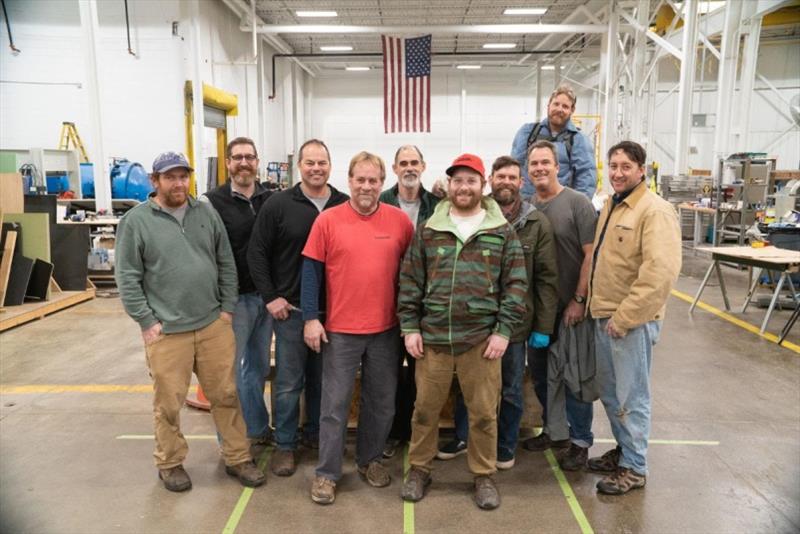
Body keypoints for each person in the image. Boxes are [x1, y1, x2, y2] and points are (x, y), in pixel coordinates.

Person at [116, 151, 265, 492]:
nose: (179, 183)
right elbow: (127, 277)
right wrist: (147, 321)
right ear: (155, 181)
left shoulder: (204, 212)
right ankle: (170, 463)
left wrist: (226, 308)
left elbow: (225, 260)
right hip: (167, 332)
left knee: (227, 394)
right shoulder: (137, 222)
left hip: (212, 324)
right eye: (170, 177)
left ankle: (238, 457)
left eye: (183, 176)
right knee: (168, 403)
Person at [398, 153, 528, 510]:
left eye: (471, 180)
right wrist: (409, 327)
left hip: (481, 342)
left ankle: (484, 475)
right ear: (449, 185)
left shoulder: (501, 230)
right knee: (424, 410)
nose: (464, 187)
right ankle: (419, 469)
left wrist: (503, 331)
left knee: (485, 414)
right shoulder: (429, 229)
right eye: (458, 180)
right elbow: (410, 280)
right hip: (434, 340)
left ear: (482, 185)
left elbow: (516, 284)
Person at [302, 151, 414, 505]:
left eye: (373, 181)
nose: (366, 187)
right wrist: (310, 317)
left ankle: (370, 460)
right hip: (340, 331)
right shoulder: (328, 221)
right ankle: (327, 473)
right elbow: (311, 273)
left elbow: (412, 275)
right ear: (349, 180)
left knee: (381, 403)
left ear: (383, 183)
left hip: (386, 331)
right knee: (334, 406)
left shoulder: (400, 222)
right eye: (360, 180)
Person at [438, 155, 558, 470]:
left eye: (512, 177)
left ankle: (504, 445)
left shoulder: (536, 223)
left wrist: (543, 326)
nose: (506, 182)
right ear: (491, 180)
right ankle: (465, 437)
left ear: (522, 183)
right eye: (500, 176)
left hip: (515, 324)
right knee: (469, 386)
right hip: (476, 323)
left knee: (510, 388)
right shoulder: (478, 214)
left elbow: (546, 278)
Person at [248, 139, 349, 477]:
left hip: (334, 314)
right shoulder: (278, 204)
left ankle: (317, 437)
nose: (316, 168)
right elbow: (257, 253)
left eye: (322, 162)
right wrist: (270, 297)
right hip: (290, 312)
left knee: (324, 383)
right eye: (310, 163)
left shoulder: (343, 205)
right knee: (290, 382)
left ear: (330, 166)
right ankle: (286, 445)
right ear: (299, 167)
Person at [587, 140, 681, 495]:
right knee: (612, 395)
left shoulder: (654, 211)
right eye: (613, 166)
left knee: (632, 397)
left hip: (629, 322)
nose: (618, 173)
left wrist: (625, 317)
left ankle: (635, 467)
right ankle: (625, 451)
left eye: (626, 166)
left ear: (642, 170)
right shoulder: (613, 205)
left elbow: (660, 273)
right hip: (605, 315)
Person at [521, 140, 598, 471]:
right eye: (534, 163)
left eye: (545, 162)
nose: (539, 168)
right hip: (539, 312)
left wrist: (579, 300)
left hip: (570, 308)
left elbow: (591, 255)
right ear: (528, 169)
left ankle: (580, 441)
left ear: (558, 166)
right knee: (541, 376)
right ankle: (555, 433)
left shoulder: (577, 203)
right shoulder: (527, 207)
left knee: (574, 378)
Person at [203, 137, 274, 457]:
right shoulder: (211, 203)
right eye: (237, 158)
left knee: (257, 368)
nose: (244, 163)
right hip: (233, 302)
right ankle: (229, 441)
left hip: (267, 299)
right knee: (226, 374)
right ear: (228, 163)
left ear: (257, 162)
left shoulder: (270, 199)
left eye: (250, 157)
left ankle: (257, 429)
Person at [378, 145, 441, 459]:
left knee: (421, 377)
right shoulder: (380, 202)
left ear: (424, 165)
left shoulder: (438, 205)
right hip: (386, 302)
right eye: (403, 162)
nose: (409, 167)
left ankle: (416, 433)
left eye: (414, 161)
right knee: (388, 375)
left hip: (426, 306)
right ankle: (392, 432)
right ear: (394, 168)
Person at [510, 84, 597, 199]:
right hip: (526, 205)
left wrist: (577, 208)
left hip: (559, 207)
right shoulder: (527, 132)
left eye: (565, 106)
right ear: (548, 105)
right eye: (556, 104)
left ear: (572, 110)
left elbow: (586, 177)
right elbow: (513, 167)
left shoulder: (578, 140)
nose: (559, 109)